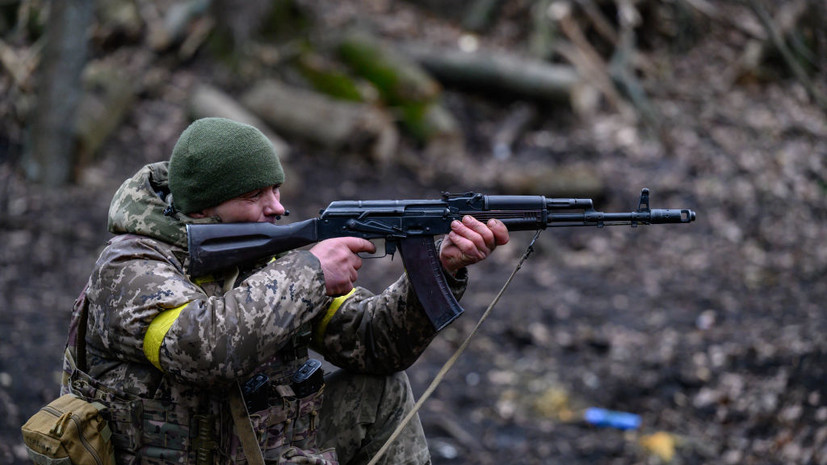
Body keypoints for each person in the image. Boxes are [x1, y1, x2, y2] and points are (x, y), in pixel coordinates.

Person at [61, 117, 509, 465]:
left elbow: (374, 343)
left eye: (276, 189)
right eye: (256, 195)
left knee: (382, 391)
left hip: (256, 448)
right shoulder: (129, 267)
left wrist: (443, 266)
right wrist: (312, 272)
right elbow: (202, 350)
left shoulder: (265, 259)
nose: (277, 207)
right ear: (204, 206)